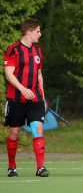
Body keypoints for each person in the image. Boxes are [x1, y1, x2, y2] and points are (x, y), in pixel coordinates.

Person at [4, 18, 49, 177]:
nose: (40, 34)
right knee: (14, 132)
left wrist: (42, 96)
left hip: (35, 99)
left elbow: (39, 74)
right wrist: (22, 89)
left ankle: (40, 168)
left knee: (37, 130)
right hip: (16, 99)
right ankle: (12, 166)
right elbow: (8, 74)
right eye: (37, 31)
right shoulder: (13, 50)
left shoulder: (38, 51)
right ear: (29, 32)